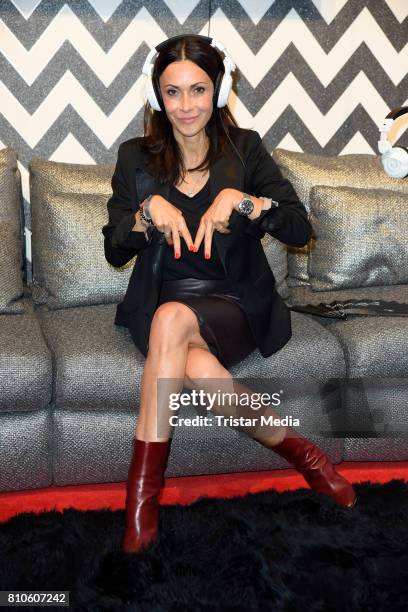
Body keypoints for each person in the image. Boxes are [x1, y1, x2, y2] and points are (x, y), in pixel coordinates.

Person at [102, 34, 356, 555]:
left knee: (170, 323)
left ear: (218, 91)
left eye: (198, 89)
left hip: (234, 303)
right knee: (184, 347)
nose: (186, 105)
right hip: (163, 303)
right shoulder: (135, 158)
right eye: (172, 92)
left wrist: (245, 203)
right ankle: (303, 453)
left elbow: (297, 229)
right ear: (156, 97)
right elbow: (113, 249)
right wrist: (146, 212)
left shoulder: (247, 149)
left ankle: (140, 506)